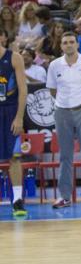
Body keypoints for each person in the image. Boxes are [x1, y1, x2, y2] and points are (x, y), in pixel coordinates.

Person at [46, 31, 81, 208]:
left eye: (71, 42)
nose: (68, 45)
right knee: (65, 156)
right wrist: (64, 103)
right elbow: (53, 90)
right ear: (61, 46)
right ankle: (65, 196)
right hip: (62, 112)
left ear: (77, 44)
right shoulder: (54, 65)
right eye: (65, 43)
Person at [0, 28, 28, 217]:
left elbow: (23, 90)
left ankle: (17, 200)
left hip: (10, 111)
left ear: (3, 37)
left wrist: (19, 117)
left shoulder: (14, 57)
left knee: (15, 157)